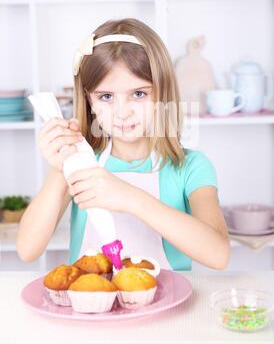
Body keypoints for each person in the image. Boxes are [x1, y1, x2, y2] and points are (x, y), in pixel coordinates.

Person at [17, 18, 229, 271]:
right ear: (88, 101)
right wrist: (60, 169)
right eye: (106, 96)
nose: (122, 112)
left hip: (171, 308)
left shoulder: (190, 167)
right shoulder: (81, 163)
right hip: (93, 306)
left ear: (162, 92)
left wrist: (131, 198)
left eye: (138, 94)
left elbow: (218, 256)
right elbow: (28, 249)